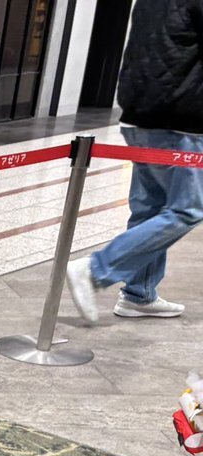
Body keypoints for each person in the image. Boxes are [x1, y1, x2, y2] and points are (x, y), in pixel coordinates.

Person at [67, 0, 203, 321]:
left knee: (150, 208)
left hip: (138, 114)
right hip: (180, 120)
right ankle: (96, 269)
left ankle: (139, 294)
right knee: (187, 209)